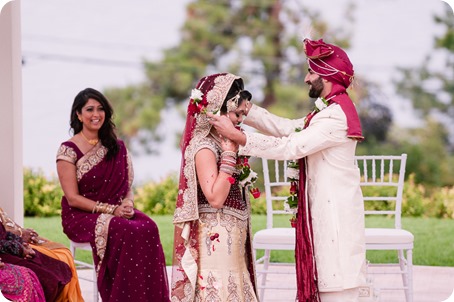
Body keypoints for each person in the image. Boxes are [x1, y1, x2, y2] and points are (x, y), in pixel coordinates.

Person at [208, 39, 367, 302]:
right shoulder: (327, 112)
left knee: (337, 288)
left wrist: (236, 137)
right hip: (326, 211)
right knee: (328, 284)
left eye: (311, 72)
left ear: (326, 75)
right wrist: (247, 109)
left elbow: (289, 147)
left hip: (334, 216)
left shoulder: (335, 117)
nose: (306, 78)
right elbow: (289, 128)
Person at [56, 88, 169, 302]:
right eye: (89, 109)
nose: (96, 114)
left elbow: (127, 185)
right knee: (124, 229)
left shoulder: (115, 146)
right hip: (81, 215)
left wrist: (128, 202)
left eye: (100, 109)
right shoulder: (68, 151)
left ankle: (146, 297)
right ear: (78, 115)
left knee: (148, 227)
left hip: (116, 211)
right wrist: (111, 210)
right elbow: (72, 198)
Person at [171, 73, 258, 301]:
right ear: (217, 110)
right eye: (236, 114)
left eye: (242, 115)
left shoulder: (228, 143)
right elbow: (215, 198)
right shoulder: (205, 148)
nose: (239, 120)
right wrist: (229, 155)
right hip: (215, 241)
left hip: (233, 241)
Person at [0, 207, 84, 301]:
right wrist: (20, 249)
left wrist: (20, 243)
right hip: (4, 255)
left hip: (8, 249)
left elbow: (3, 233)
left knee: (59, 267)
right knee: (46, 278)